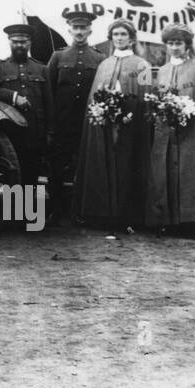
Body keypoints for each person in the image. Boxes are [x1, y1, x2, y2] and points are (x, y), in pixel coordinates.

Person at [71, 18, 152, 231]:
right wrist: (100, 112)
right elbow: (94, 97)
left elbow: (146, 95)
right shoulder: (104, 65)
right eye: (115, 35)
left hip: (130, 126)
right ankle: (100, 212)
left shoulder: (142, 65)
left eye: (123, 34)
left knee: (127, 165)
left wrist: (132, 114)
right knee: (103, 163)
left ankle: (127, 216)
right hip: (105, 126)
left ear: (132, 38)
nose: (119, 38)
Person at [145, 25, 195, 239]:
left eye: (179, 43)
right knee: (165, 172)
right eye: (170, 43)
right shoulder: (162, 70)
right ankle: (167, 220)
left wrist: (187, 115)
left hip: (191, 131)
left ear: (187, 45)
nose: (174, 48)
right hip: (167, 132)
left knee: (192, 173)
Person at [0, 24, 52, 193]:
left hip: (35, 132)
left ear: (29, 43)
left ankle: (29, 215)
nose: (19, 45)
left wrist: (50, 133)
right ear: (9, 42)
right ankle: (13, 216)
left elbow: (49, 103)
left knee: (32, 175)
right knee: (10, 174)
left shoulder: (42, 68)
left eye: (23, 42)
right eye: (15, 42)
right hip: (10, 134)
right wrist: (13, 96)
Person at [46, 10, 105, 223]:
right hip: (62, 124)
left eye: (83, 28)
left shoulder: (99, 58)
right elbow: (49, 92)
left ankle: (81, 211)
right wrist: (51, 125)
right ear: (69, 29)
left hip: (86, 124)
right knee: (57, 169)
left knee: (85, 168)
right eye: (75, 27)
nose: (79, 32)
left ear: (90, 30)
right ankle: (55, 210)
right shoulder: (58, 56)